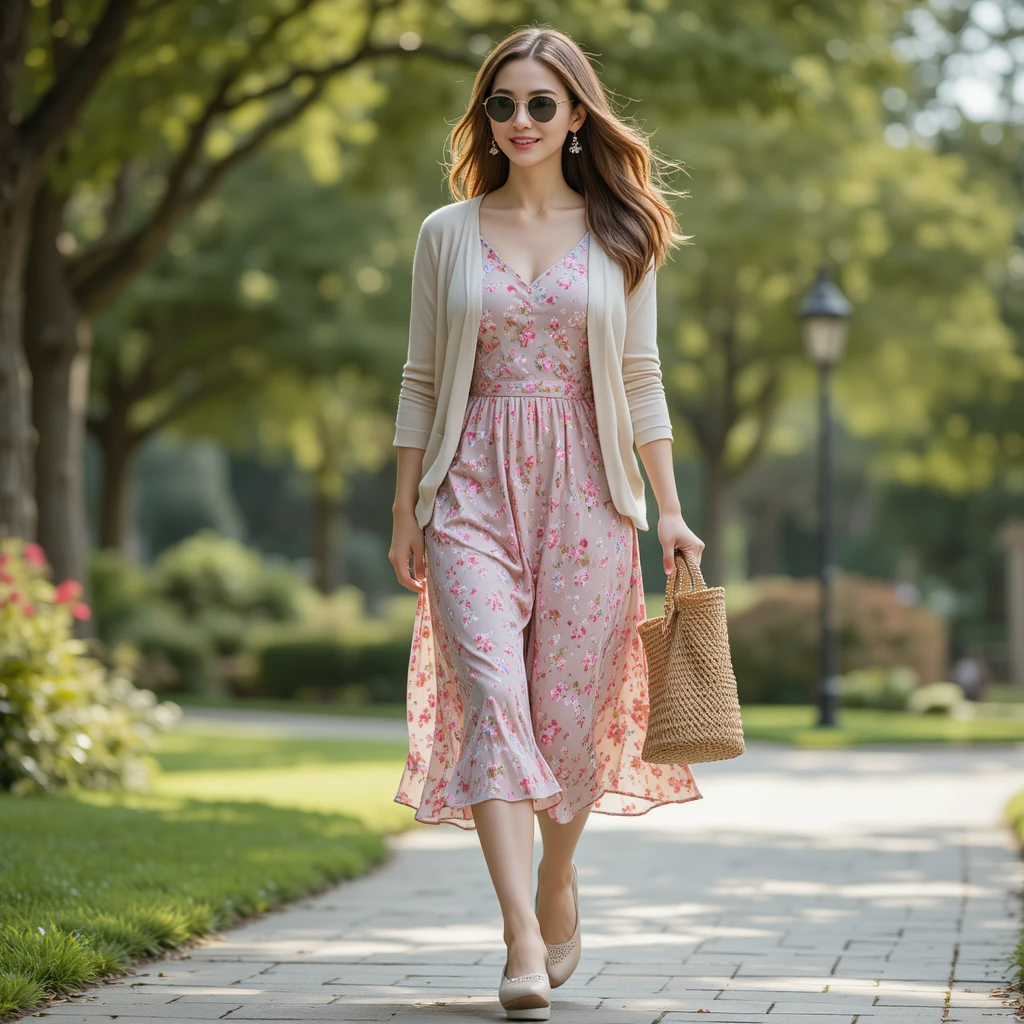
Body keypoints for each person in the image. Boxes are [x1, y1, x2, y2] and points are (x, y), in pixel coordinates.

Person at [388, 26, 705, 1021]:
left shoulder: (623, 234)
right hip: (470, 487)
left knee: (568, 721)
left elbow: (640, 378)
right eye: (501, 104)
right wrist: (405, 506)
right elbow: (421, 377)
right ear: (484, 117)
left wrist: (671, 511)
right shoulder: (447, 232)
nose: (518, 121)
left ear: (576, 116)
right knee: (491, 697)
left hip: (588, 495)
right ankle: (520, 934)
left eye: (539, 104)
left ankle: (558, 881)